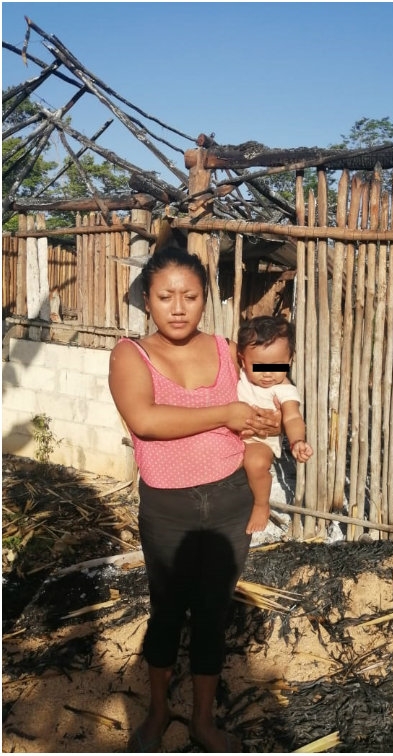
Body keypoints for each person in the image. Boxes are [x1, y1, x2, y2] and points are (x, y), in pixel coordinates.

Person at [108, 245, 281, 753]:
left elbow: (272, 384)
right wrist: (225, 413)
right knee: (166, 612)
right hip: (168, 508)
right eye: (165, 296)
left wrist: (273, 416)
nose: (178, 307)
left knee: (212, 611)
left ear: (207, 298)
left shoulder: (229, 349)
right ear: (147, 299)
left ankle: (203, 721)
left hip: (229, 500)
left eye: (190, 295)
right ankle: (159, 711)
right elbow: (145, 420)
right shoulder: (129, 354)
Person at [235, 315, 312, 533]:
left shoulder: (284, 389)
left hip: (261, 441)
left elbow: (292, 417)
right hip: (232, 436)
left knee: (256, 462)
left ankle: (261, 504)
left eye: (277, 366)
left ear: (289, 361)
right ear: (243, 360)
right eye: (259, 366)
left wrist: (297, 440)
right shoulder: (240, 374)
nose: (268, 373)